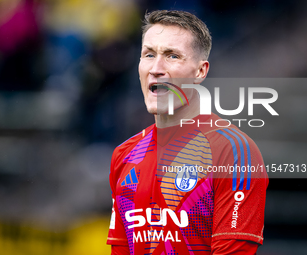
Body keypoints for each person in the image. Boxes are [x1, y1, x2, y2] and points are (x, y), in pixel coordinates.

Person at [107, 10, 268, 254]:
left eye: (172, 56)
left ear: (200, 72)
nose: (156, 68)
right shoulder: (124, 154)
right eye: (149, 54)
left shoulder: (233, 152)